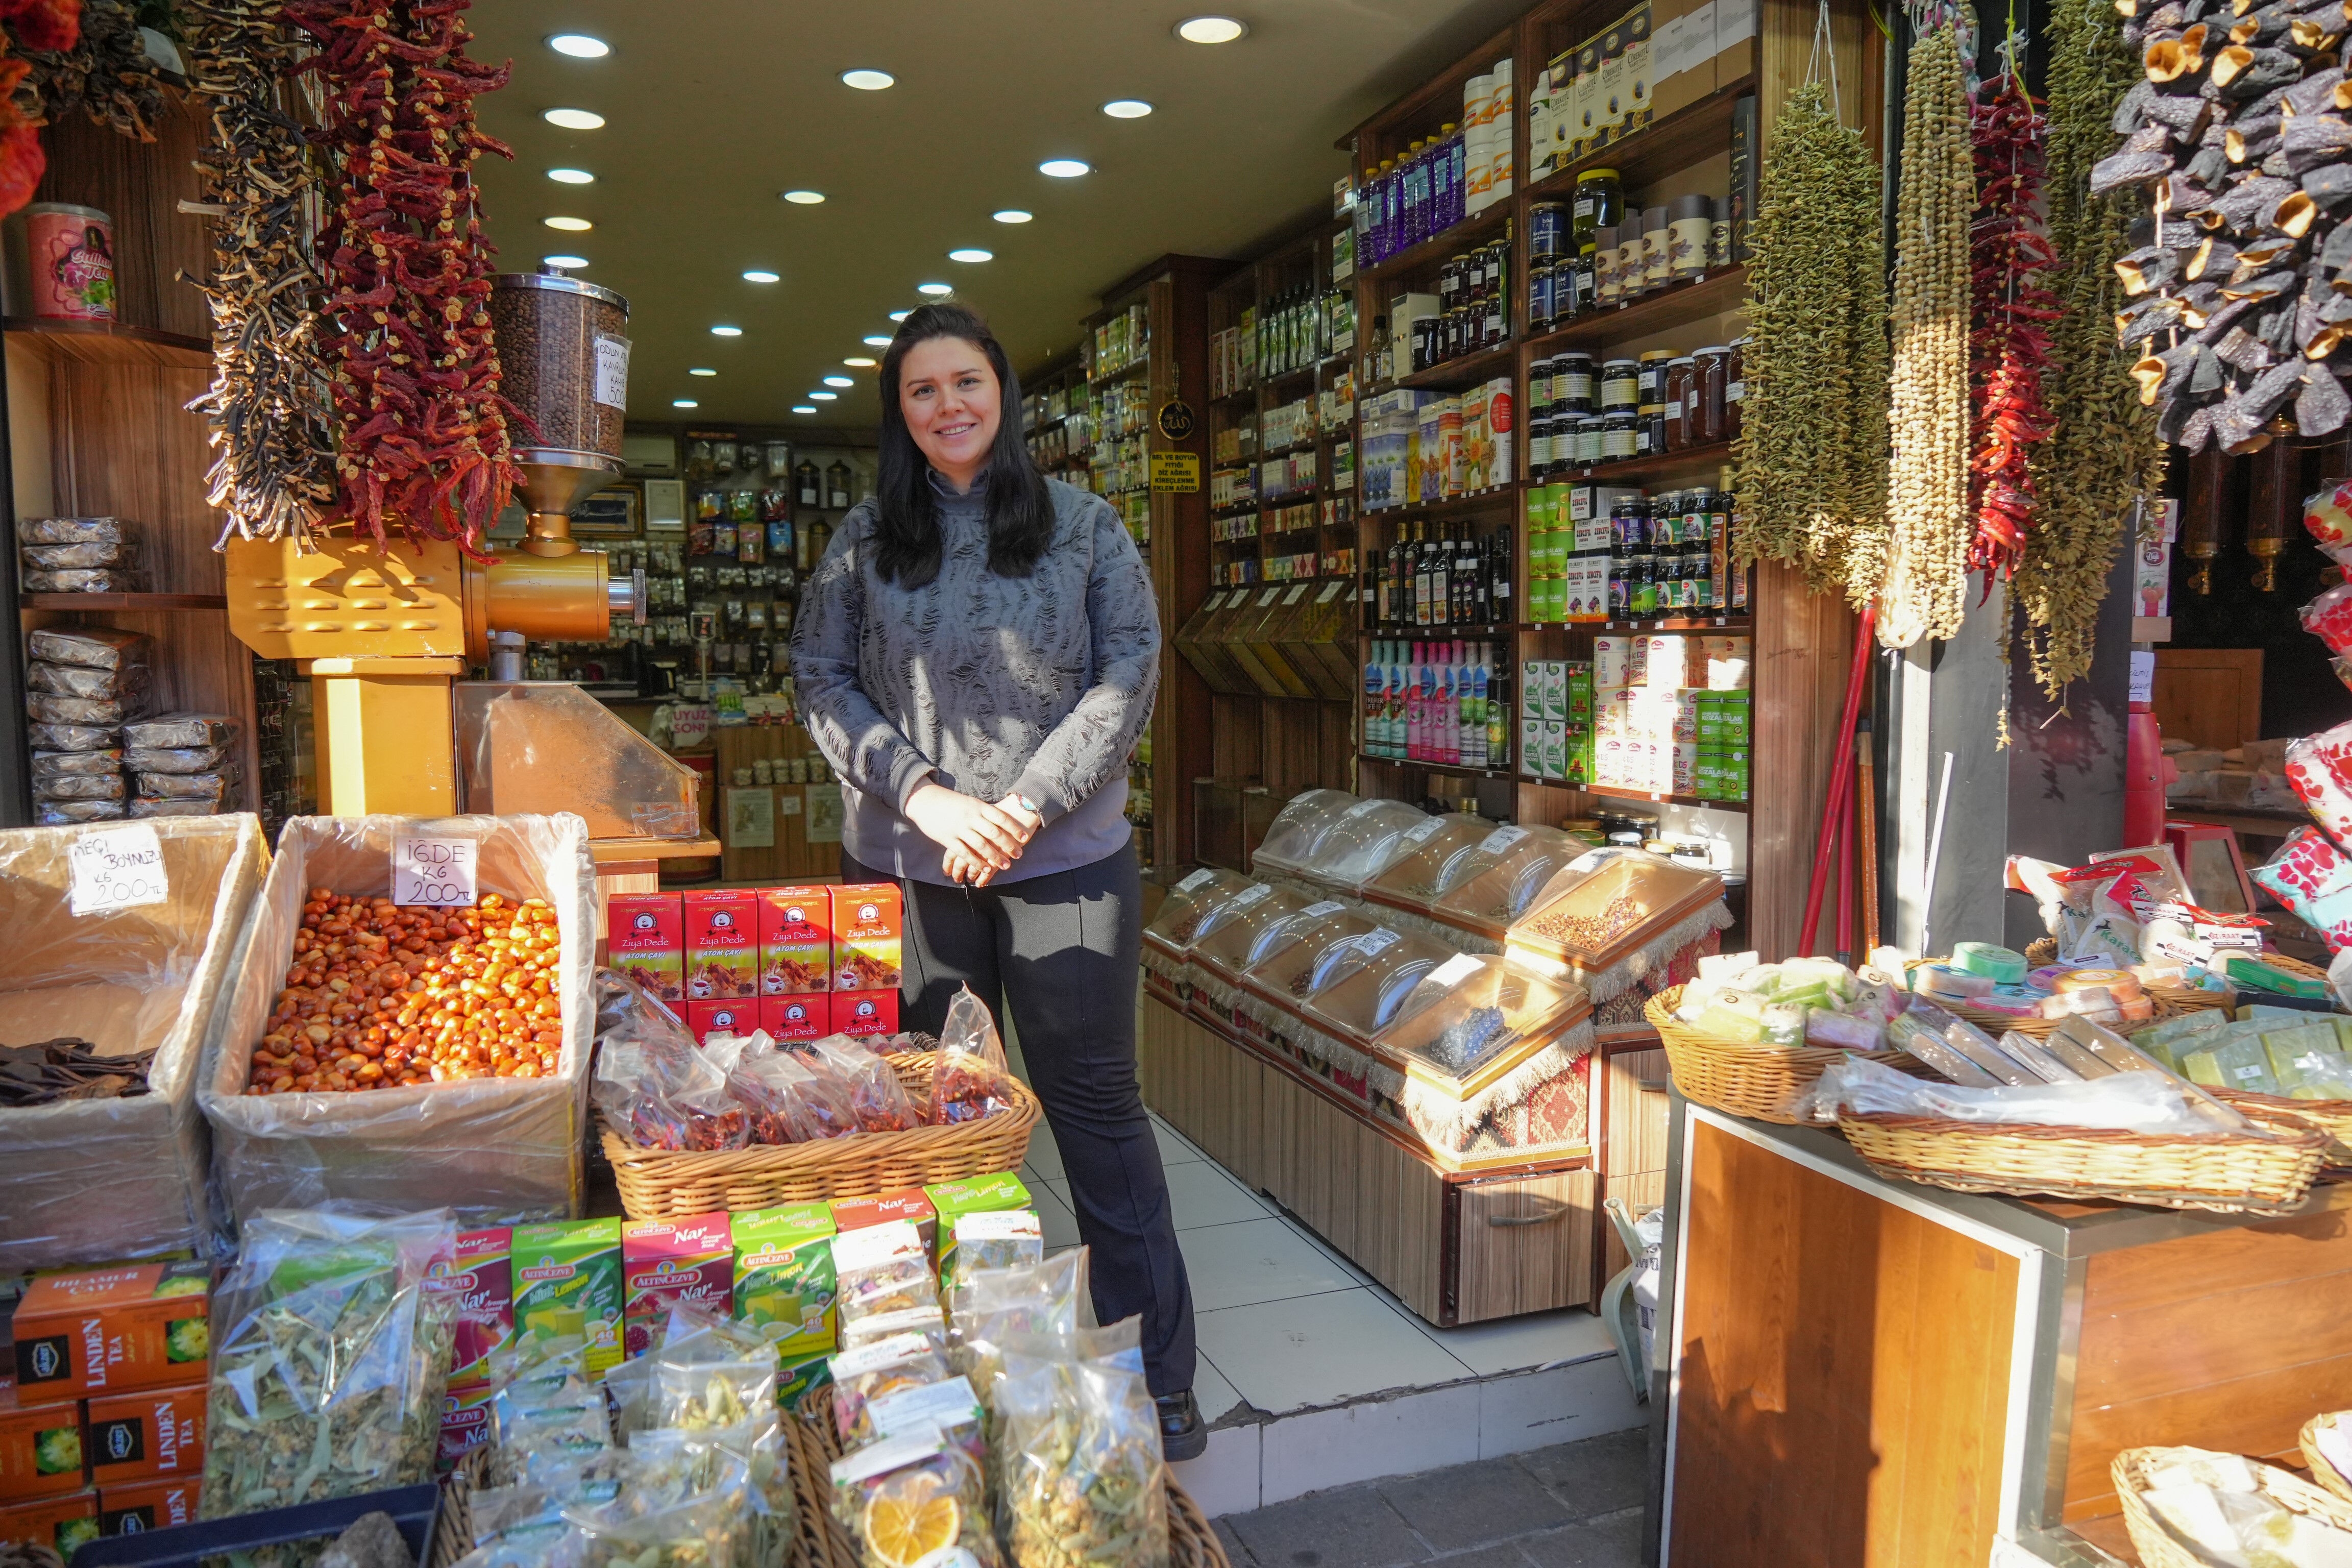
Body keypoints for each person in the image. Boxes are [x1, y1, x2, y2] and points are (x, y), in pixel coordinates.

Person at [790, 300, 1205, 1459]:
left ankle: (1158, 1376)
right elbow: (821, 677)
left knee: (1095, 1116)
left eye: (964, 382)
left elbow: (1129, 670)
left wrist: (1024, 806)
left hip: (1067, 861)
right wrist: (925, 798)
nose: (947, 408)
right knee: (933, 1125)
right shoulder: (867, 538)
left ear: (1003, 394)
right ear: (900, 412)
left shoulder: (1084, 526)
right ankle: (936, 1381)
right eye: (921, 391)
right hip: (913, 866)